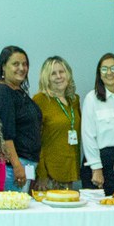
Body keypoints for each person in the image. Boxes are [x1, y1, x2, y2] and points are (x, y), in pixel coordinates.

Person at [0, 46, 42, 192]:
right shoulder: (2, 92)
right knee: (13, 211)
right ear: (3, 66)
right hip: (13, 167)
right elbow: (4, 135)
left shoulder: (18, 91)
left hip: (26, 163)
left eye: (25, 64)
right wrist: (17, 165)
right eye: (15, 64)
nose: (22, 68)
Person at [82, 53, 114, 196]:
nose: (109, 73)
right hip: (101, 160)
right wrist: (96, 168)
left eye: (113, 68)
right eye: (104, 69)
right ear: (99, 74)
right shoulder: (92, 98)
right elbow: (88, 136)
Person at [33, 56, 82, 190]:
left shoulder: (74, 100)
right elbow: (36, 140)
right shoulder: (40, 100)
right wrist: (41, 173)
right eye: (53, 74)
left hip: (70, 170)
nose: (59, 76)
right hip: (49, 174)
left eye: (62, 72)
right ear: (46, 78)